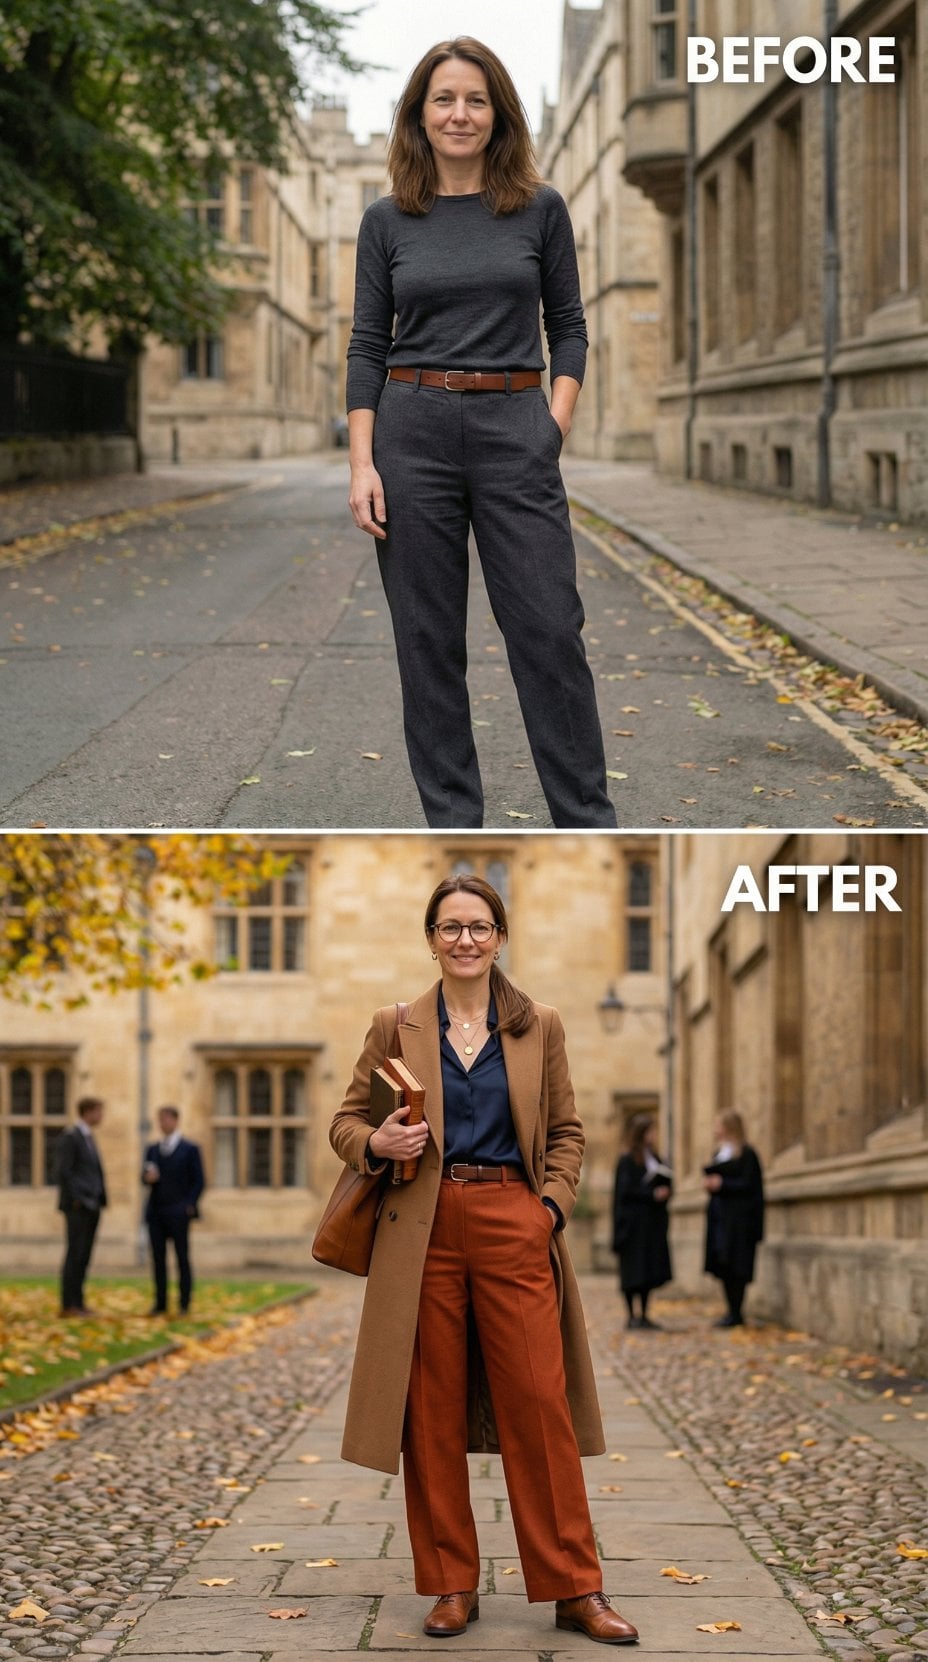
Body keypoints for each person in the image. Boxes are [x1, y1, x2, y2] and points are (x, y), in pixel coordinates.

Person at [330, 874, 638, 1646]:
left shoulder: (543, 1025)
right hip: (422, 1228)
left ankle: (575, 1586)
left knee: (540, 1402)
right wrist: (375, 1141)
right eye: (450, 927)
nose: (464, 940)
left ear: (501, 937)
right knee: (429, 1408)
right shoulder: (393, 1026)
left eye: (479, 926)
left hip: (512, 1219)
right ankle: (450, 1584)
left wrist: (548, 1211)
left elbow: (567, 1133)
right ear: (430, 938)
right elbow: (344, 1120)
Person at [346, 37, 617, 832]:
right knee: (428, 645)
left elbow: (568, 329)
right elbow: (368, 344)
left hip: (514, 428)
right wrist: (362, 461)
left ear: (497, 113)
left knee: (549, 631)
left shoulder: (539, 207)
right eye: (443, 99)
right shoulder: (388, 220)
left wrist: (550, 426)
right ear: (419, 117)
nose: (459, 113)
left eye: (474, 99)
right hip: (412, 431)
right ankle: (454, 825)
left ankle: (588, 822)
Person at [703, 1110, 765, 1328]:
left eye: (718, 1125)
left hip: (739, 1223)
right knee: (724, 1265)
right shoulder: (719, 1154)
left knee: (738, 1266)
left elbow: (750, 1187)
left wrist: (723, 1185)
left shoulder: (747, 1155)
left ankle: (737, 1312)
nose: (715, 1130)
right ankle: (731, 1310)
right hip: (720, 1220)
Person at [142, 1106, 205, 1317]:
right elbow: (143, 1176)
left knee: (182, 1258)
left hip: (178, 1212)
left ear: (176, 1121)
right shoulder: (152, 1149)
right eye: (160, 1120)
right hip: (156, 1212)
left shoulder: (189, 1149)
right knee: (158, 1260)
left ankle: (184, 1303)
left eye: (166, 1119)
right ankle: (160, 1303)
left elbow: (199, 1180)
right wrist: (146, 1178)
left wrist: (189, 1204)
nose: (163, 1124)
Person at [611, 1114, 672, 1330]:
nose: (654, 1135)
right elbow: (625, 1192)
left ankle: (645, 1314)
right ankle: (631, 1315)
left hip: (651, 1226)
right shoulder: (627, 1160)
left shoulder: (656, 1158)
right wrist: (650, 1194)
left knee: (648, 1270)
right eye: (650, 1131)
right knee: (632, 1271)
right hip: (633, 1227)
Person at [56, 1095, 108, 1317]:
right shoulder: (71, 1137)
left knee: (84, 1255)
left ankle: (78, 1301)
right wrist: (78, 1199)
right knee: (74, 1254)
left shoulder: (88, 1137)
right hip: (78, 1206)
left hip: (92, 1204)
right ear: (88, 1112)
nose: (101, 1116)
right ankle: (69, 1304)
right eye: (98, 1111)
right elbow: (64, 1171)